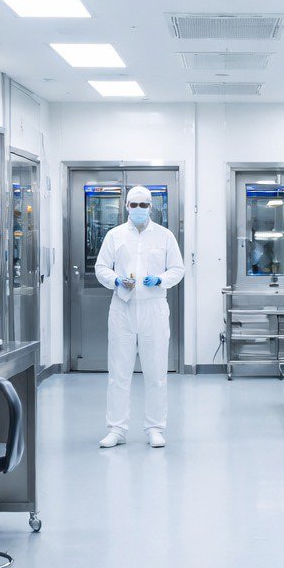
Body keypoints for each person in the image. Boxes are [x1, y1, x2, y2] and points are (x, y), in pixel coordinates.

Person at [93, 185, 185, 449]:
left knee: (156, 372)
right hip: (122, 308)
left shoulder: (165, 236)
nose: (138, 209)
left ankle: (155, 428)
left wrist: (160, 279)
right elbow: (101, 267)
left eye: (143, 205)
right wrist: (116, 280)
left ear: (151, 207)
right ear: (126, 206)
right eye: (133, 204)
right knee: (118, 372)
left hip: (154, 309)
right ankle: (117, 429)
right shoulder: (115, 235)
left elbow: (177, 269)